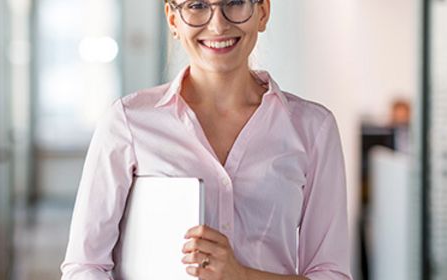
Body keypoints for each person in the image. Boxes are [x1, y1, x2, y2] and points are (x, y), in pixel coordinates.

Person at [61, 0, 352, 279]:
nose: (218, 24)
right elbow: (85, 266)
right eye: (197, 5)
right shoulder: (127, 123)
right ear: (173, 19)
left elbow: (330, 274)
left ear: (262, 11)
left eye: (235, 2)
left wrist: (242, 277)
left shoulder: (313, 129)